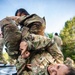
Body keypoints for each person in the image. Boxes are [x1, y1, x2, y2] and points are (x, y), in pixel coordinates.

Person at [0, 9, 64, 75]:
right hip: (34, 43)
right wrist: (28, 44)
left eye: (55, 73)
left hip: (19, 52)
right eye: (57, 68)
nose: (52, 69)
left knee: (6, 23)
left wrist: (23, 57)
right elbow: (50, 43)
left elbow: (21, 72)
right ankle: (22, 21)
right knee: (39, 22)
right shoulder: (59, 61)